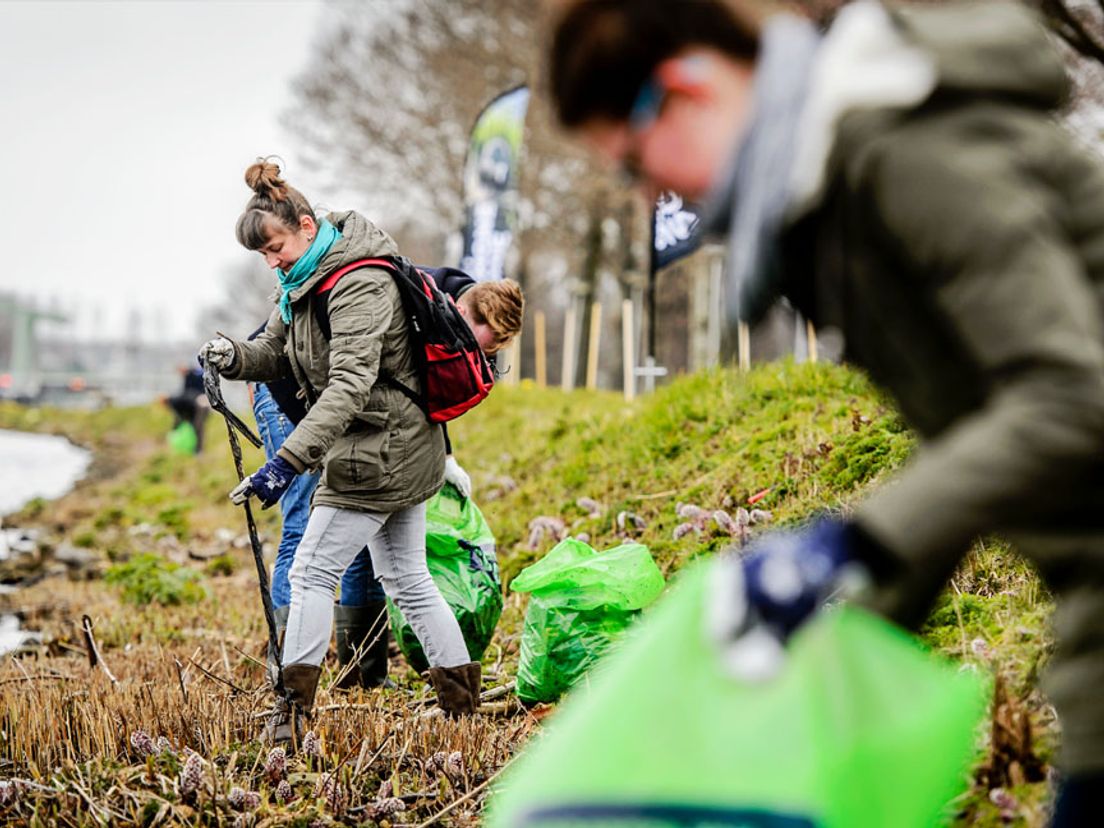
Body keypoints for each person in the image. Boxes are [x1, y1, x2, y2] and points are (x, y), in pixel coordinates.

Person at [547, 1, 1104, 824]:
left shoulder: (903, 146)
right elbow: (981, 446)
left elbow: (1069, 395)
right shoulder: (829, 205)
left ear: (684, 87)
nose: (648, 196)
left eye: (633, 165)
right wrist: (843, 643)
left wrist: (857, 541)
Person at [200, 159, 482, 744]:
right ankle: (461, 706)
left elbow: (348, 386)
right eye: (263, 255)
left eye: (274, 246)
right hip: (395, 446)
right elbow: (275, 353)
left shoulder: (357, 283)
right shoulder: (301, 280)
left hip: (379, 451)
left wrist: (285, 462)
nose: (270, 261)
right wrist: (234, 356)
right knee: (407, 577)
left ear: (305, 226)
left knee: (310, 573)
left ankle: (290, 719)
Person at [250, 271, 523, 691]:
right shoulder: (404, 295)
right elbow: (346, 382)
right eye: (474, 344)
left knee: (380, 556)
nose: (471, 355)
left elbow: (416, 393)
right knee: (305, 532)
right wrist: (319, 448)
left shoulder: (453, 318)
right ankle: (286, 670)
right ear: (462, 309)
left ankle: (362, 672)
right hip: (290, 387)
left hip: (357, 412)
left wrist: (442, 455)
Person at [164, 365, 208, 454]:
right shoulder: (186, 381)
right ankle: (196, 449)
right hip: (195, 404)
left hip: (200, 402)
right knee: (195, 427)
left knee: (198, 427)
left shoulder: (195, 373)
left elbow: (178, 416)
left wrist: (174, 428)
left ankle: (199, 450)